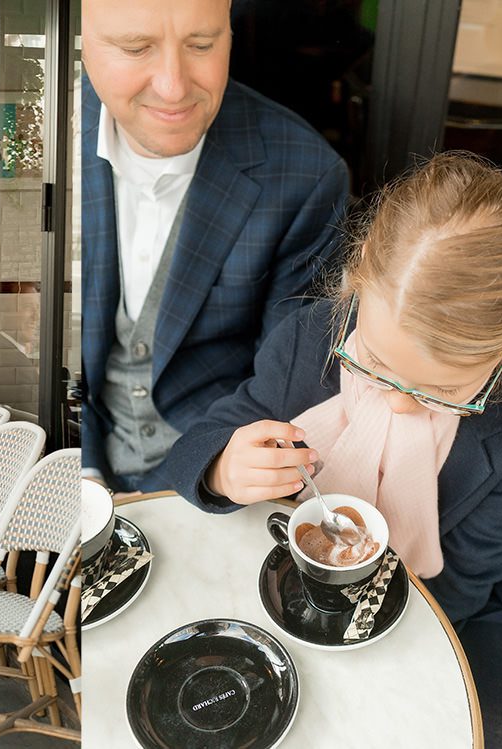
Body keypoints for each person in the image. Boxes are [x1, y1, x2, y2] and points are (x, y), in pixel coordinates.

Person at [166, 153, 502, 747]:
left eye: (442, 392)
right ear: (360, 273)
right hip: (282, 563)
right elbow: (206, 439)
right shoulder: (310, 335)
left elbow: (476, 565)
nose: (400, 404)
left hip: (451, 593)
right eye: (377, 364)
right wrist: (223, 467)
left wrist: (370, 632)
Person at [81, 0, 350, 494]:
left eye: (201, 45)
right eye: (136, 48)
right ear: (81, 42)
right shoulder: (40, 130)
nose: (173, 87)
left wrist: (208, 472)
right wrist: (84, 469)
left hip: (215, 470)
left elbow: (287, 378)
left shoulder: (306, 174)